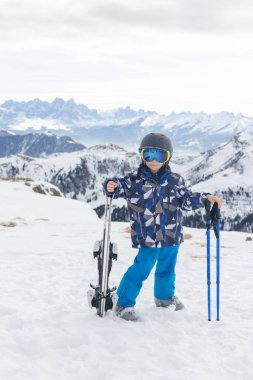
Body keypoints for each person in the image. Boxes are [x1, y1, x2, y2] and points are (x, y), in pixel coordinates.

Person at [104, 132, 222, 321]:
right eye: (148, 155)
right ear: (141, 155)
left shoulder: (176, 180)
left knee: (167, 269)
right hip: (147, 236)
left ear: (168, 156)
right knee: (141, 270)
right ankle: (124, 303)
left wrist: (205, 199)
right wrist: (111, 186)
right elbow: (118, 187)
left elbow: (186, 199)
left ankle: (164, 298)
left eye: (160, 155)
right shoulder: (133, 181)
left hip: (171, 235)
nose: (153, 160)